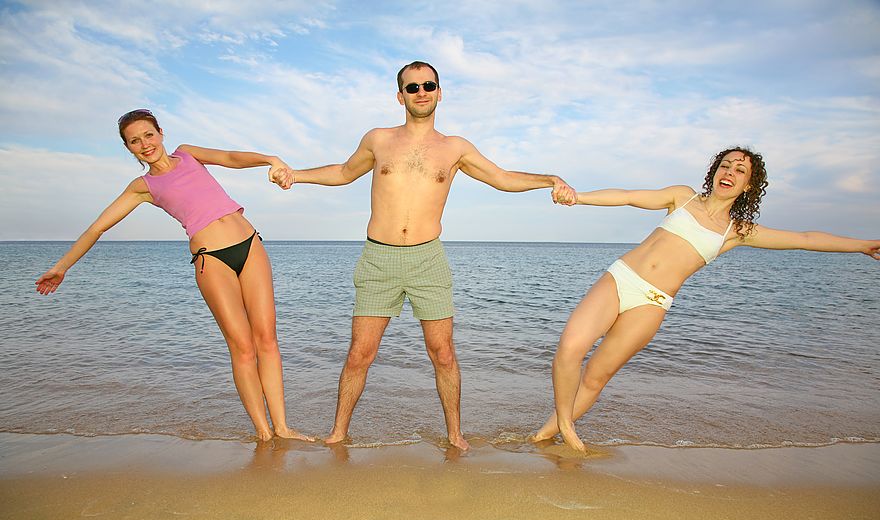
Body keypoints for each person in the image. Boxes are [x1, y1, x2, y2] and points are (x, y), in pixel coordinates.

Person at [292, 61, 575, 451]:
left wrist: (550, 179)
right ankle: (338, 432)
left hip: (428, 259)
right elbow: (342, 172)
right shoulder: (378, 139)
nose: (421, 92)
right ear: (400, 96)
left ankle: (455, 435)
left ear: (440, 92)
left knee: (443, 353)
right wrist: (295, 174)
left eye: (429, 85)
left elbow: (502, 178)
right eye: (412, 87)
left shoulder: (454, 148)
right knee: (360, 354)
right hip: (379, 259)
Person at [533, 147, 880, 453]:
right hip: (621, 278)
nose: (730, 173)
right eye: (726, 166)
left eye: (740, 171)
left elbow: (804, 238)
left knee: (596, 376)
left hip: (652, 302)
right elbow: (628, 196)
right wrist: (579, 197)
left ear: (748, 186)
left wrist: (863, 244)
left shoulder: (736, 232)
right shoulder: (682, 197)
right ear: (715, 171)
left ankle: (544, 435)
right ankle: (566, 423)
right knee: (570, 347)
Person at [35, 109, 314, 444]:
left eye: (148, 135)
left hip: (250, 246)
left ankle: (283, 427)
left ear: (160, 133)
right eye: (134, 141)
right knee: (242, 348)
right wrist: (62, 266)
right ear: (129, 149)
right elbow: (99, 226)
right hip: (212, 260)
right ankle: (264, 433)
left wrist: (270, 159)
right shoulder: (143, 187)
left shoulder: (188, 154)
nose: (144, 144)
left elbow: (230, 157)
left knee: (267, 339)